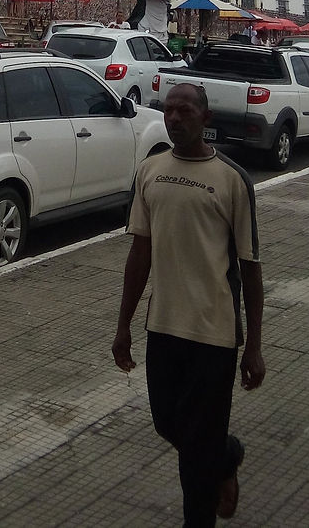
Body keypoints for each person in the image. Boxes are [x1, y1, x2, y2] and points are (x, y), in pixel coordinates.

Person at [112, 82, 265, 526]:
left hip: (214, 333)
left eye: (185, 111)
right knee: (169, 424)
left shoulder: (232, 180)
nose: (175, 118)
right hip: (163, 327)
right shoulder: (151, 171)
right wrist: (123, 325)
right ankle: (226, 455)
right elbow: (139, 253)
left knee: (196, 450)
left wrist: (253, 344)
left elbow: (251, 269)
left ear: (206, 119)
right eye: (168, 110)